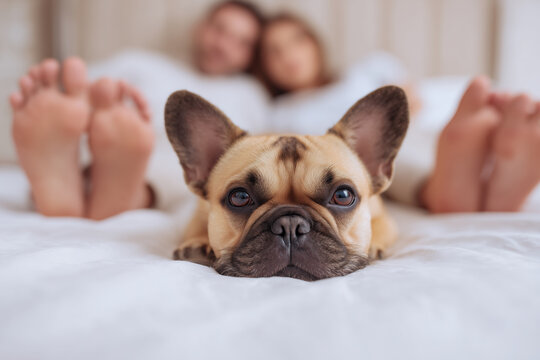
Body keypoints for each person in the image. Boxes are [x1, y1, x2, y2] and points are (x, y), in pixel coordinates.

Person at [8, 0, 269, 220]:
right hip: (107, 145)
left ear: (252, 55)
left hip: (181, 164)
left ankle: (92, 192)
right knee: (99, 119)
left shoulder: (249, 92)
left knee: (198, 168)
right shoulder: (141, 63)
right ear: (201, 27)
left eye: (241, 42)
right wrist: (74, 105)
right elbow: (74, 88)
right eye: (220, 30)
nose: (223, 45)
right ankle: (80, 177)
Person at [257, 13, 540, 213]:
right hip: (364, 153)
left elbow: (410, 98)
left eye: (296, 41)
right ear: (264, 67)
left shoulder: (368, 69)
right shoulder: (282, 112)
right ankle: (476, 187)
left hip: (411, 124)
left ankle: (481, 166)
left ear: (314, 44)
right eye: (275, 51)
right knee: (381, 161)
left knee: (403, 134)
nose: (289, 56)